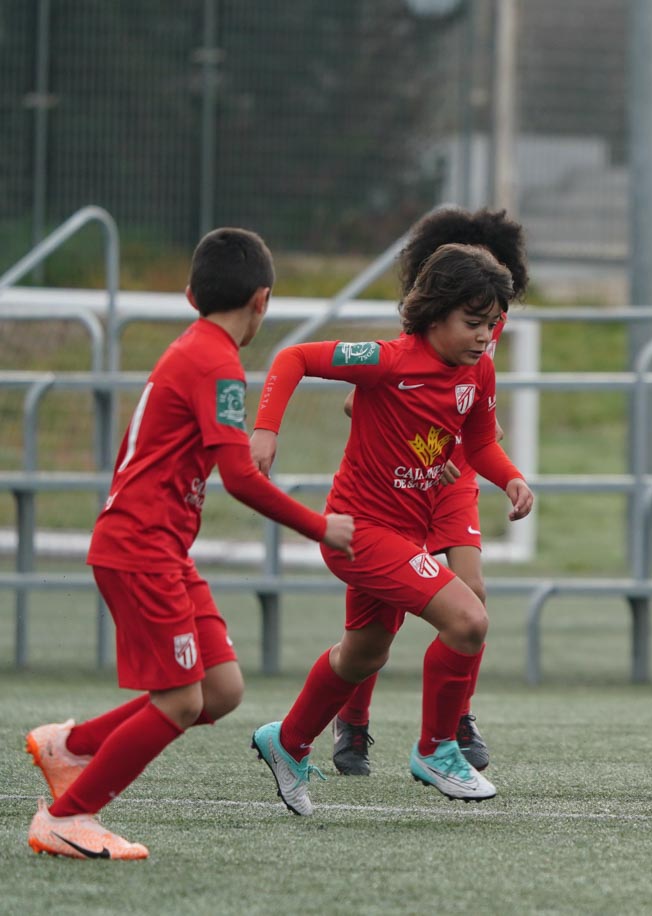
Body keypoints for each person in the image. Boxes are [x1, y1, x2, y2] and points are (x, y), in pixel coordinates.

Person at [24, 228, 356, 860]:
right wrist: (322, 526)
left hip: (159, 547)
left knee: (220, 689)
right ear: (262, 300)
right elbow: (240, 479)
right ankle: (68, 816)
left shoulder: (195, 349)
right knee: (179, 700)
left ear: (189, 295)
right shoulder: (217, 363)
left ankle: (73, 746)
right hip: (141, 548)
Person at [248, 243, 533, 816]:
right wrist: (265, 429)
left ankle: (290, 740)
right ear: (434, 312)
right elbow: (294, 358)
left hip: (409, 532)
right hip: (360, 532)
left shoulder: (478, 368)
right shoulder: (387, 360)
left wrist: (511, 479)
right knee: (469, 617)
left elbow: (478, 442)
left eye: (493, 325)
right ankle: (437, 747)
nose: (484, 337)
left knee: (363, 654)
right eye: (473, 323)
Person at [329, 207, 528, 777]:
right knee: (381, 602)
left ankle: (455, 719)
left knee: (472, 592)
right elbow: (365, 401)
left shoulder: (490, 318)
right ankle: (354, 718)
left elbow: (471, 408)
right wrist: (424, 445)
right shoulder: (428, 330)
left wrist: (466, 451)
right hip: (406, 476)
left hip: (453, 473)